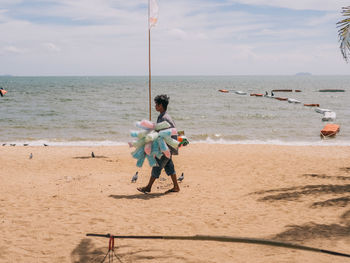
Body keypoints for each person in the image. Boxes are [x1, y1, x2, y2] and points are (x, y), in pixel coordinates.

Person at [137, 94, 180, 194]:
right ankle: (176, 186)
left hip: (166, 147)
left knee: (157, 165)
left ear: (161, 105)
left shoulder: (164, 118)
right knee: (169, 166)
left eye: (156, 104)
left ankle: (148, 187)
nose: (155, 106)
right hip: (169, 147)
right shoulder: (163, 116)